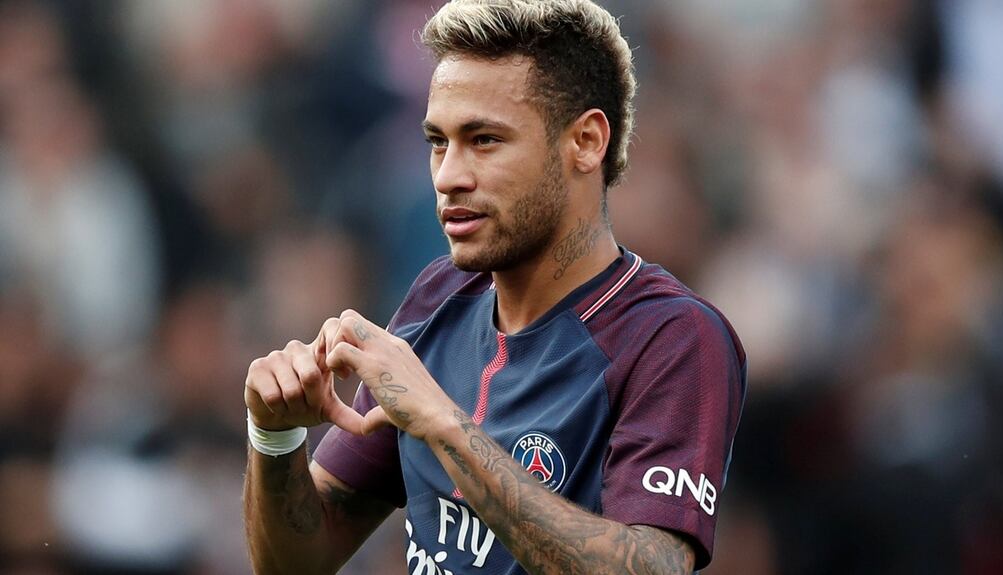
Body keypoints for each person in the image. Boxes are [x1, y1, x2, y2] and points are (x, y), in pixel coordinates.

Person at [242, 1, 746, 574]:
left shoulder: (672, 337)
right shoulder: (437, 298)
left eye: (484, 140)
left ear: (585, 142)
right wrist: (275, 436)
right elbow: (295, 563)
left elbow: (653, 568)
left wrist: (445, 425)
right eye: (438, 141)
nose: (448, 176)